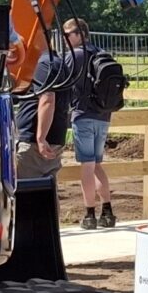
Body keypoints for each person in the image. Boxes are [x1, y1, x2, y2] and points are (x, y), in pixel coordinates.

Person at [61, 15, 118, 231]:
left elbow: (62, 84)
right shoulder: (102, 54)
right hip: (103, 115)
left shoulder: (74, 56)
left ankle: (89, 214)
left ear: (80, 34)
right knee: (96, 164)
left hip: (83, 114)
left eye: (68, 35)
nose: (65, 39)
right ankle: (108, 212)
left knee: (86, 165)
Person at [11, 32, 70, 215]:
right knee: (46, 194)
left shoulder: (44, 63)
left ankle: (26, 229)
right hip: (53, 139)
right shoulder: (58, 63)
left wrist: (40, 137)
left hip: (35, 144)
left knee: (24, 192)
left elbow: (47, 99)